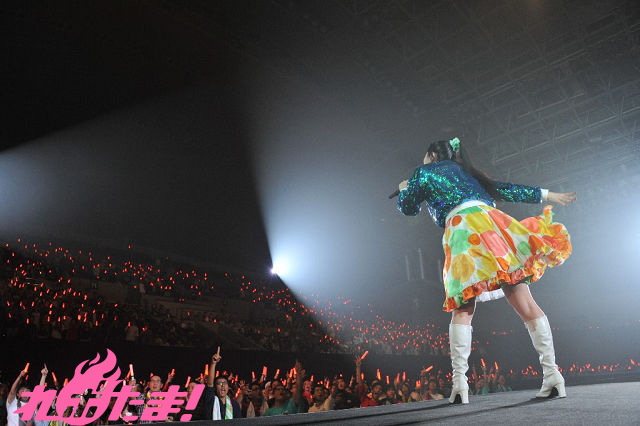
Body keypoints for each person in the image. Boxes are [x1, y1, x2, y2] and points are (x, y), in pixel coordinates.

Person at [397, 137, 575, 404]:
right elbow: (507, 189)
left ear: (432, 155)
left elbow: (408, 208)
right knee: (523, 299)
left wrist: (404, 190)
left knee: (462, 307)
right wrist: (548, 194)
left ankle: (460, 384)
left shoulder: (424, 172)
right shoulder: (468, 173)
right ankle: (553, 375)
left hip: (462, 229)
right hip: (492, 226)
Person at [204, 348, 242, 420]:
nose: (223, 385)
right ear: (215, 387)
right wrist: (213, 363)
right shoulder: (211, 401)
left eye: (225, 383)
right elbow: (210, 384)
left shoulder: (234, 405)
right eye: (220, 383)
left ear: (228, 387)